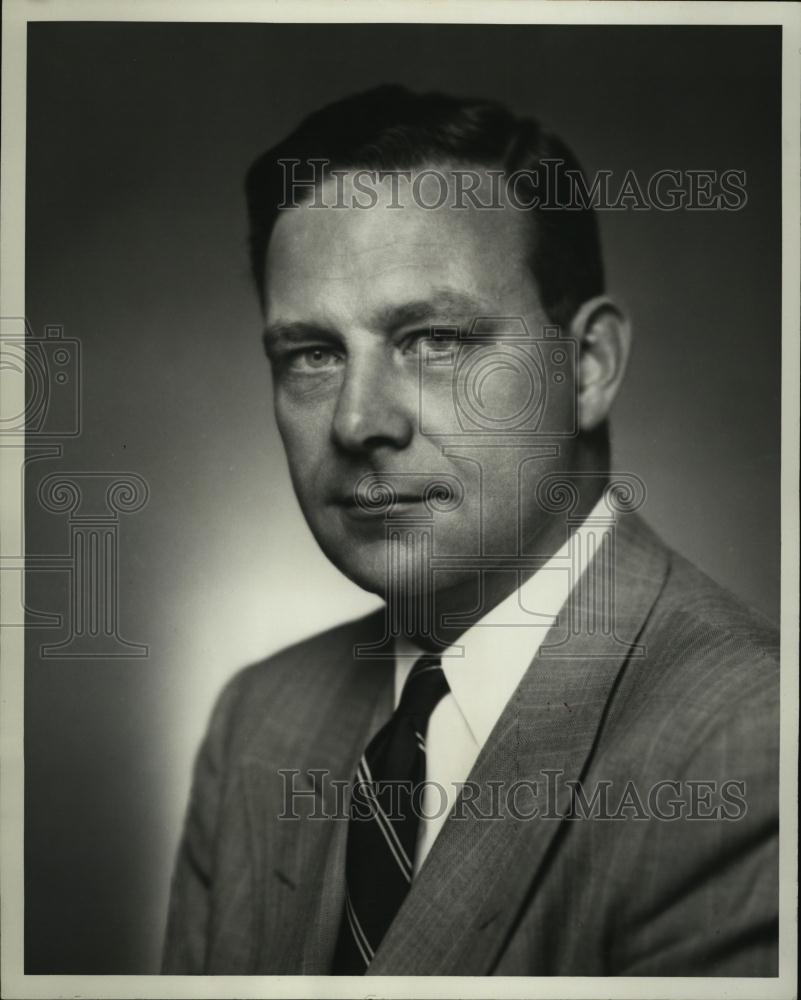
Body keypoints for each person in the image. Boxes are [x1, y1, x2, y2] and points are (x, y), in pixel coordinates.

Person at [162, 86, 779, 976]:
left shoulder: (751, 751)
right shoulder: (259, 723)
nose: (357, 421)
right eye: (313, 354)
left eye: (434, 338)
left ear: (589, 364)